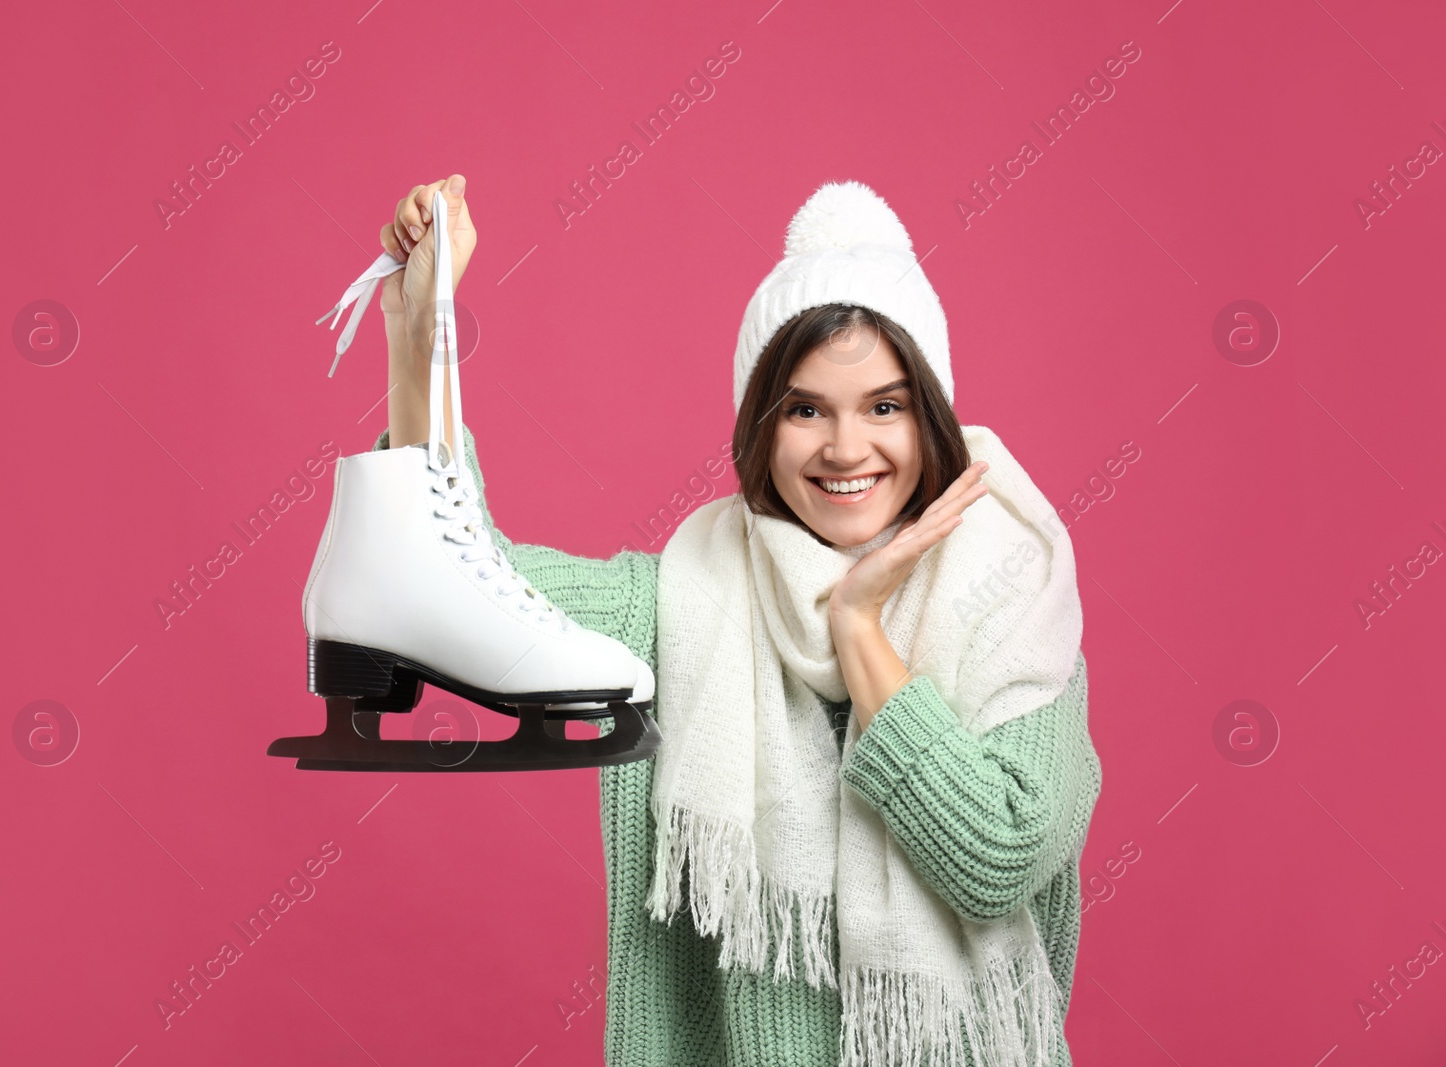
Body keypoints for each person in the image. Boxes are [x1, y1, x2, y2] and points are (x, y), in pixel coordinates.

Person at [371, 174, 1102, 1067]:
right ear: (761, 425)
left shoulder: (1011, 594)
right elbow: (460, 576)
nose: (845, 447)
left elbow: (995, 854)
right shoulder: (689, 595)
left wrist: (859, 625)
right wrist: (419, 346)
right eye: (804, 409)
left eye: (885, 405)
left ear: (933, 415)